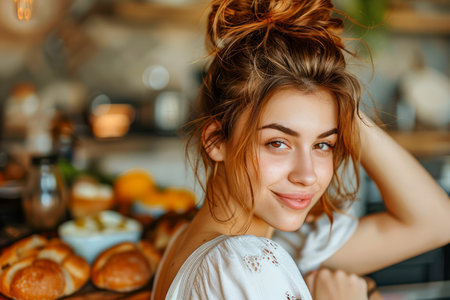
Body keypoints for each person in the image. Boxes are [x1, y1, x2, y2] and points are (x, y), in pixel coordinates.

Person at [151, 0, 450, 299]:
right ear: (216, 141)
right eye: (277, 143)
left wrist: (339, 102)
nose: (307, 175)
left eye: (323, 144)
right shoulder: (243, 263)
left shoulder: (197, 239)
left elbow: (436, 223)